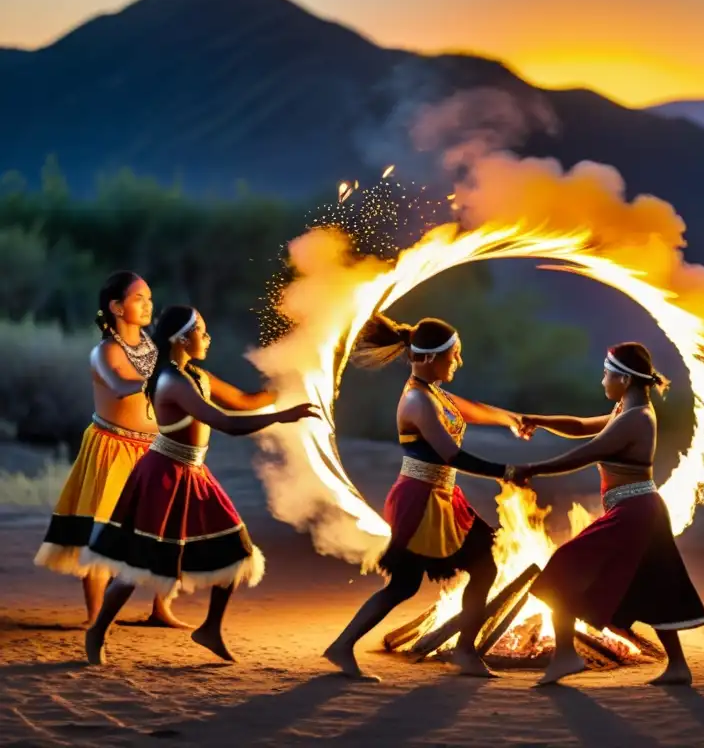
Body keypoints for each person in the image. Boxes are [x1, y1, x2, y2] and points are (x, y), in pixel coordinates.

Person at [81, 306, 320, 665]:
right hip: (163, 475)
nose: (207, 338)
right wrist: (284, 416)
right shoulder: (171, 382)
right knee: (138, 565)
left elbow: (244, 402)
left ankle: (210, 628)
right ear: (181, 338)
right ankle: (97, 630)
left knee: (237, 550)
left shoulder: (197, 376)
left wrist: (288, 382)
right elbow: (228, 423)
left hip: (194, 474)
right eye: (201, 332)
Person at [322, 314, 525, 681]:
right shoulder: (416, 401)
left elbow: (472, 411)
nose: (458, 362)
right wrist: (506, 472)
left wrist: (510, 418)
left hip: (442, 497)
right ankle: (343, 646)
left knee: (482, 568)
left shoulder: (433, 392)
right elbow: (452, 455)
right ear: (430, 359)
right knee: (405, 584)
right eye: (454, 356)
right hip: (420, 501)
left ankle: (464, 651)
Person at [509, 342, 704, 687]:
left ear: (625, 380)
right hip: (639, 510)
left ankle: (566, 655)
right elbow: (580, 425)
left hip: (634, 512)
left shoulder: (636, 419)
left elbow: (586, 453)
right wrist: (537, 420)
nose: (602, 381)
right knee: (656, 587)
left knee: (563, 566)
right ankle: (678, 667)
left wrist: (532, 468)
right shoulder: (625, 412)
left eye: (606, 374)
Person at [34, 271, 188, 629]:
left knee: (167, 529)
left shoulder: (151, 346)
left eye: (150, 297)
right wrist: (165, 375)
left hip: (155, 448)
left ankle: (161, 608)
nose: (148, 304)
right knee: (103, 531)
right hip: (112, 448)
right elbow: (119, 384)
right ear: (117, 307)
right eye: (138, 298)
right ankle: (95, 615)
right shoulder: (105, 351)